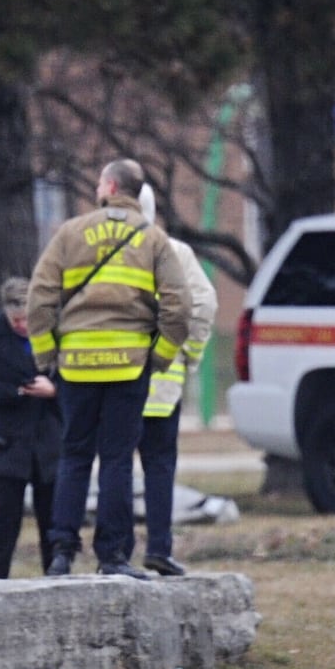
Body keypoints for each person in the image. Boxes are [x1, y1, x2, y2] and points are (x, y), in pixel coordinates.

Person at [27, 159, 189, 579]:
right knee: (116, 459)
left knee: (74, 455)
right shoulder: (153, 240)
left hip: (77, 366)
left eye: (100, 180)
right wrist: (159, 357)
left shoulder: (70, 232)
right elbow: (178, 306)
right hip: (128, 367)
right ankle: (113, 557)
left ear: (111, 185)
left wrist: (47, 357)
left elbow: (40, 298)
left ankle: (61, 551)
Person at [126, 183, 218, 576]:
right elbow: (204, 303)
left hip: (113, 381)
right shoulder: (175, 252)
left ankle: (116, 551)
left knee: (115, 466)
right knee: (159, 468)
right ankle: (159, 548)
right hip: (163, 385)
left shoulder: (101, 251)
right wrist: (190, 354)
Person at [0, 276, 62, 579]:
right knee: (3, 521)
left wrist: (54, 389)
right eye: (16, 320)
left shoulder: (54, 327)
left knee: (53, 519)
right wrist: (2, 391)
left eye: (27, 319)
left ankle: (56, 577)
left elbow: (74, 370)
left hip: (48, 438)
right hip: (6, 438)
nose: (23, 325)